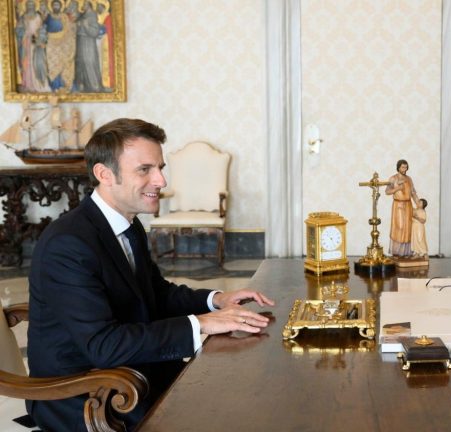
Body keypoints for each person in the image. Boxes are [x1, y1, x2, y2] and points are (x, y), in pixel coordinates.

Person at [26, 118, 276, 431]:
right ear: (104, 174)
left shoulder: (129, 226)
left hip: (133, 370)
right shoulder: (67, 244)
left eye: (160, 168)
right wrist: (201, 323)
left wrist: (216, 300)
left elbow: (157, 294)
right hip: (86, 392)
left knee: (243, 393)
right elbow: (104, 346)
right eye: (145, 169)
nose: (161, 180)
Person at [385, 159, 420, 256]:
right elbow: (387, 191)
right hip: (398, 205)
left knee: (407, 227)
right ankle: (397, 251)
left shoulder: (409, 179)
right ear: (398, 167)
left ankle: (406, 252)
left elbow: (413, 192)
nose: (405, 169)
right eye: (403, 167)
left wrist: (418, 203)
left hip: (408, 205)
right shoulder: (393, 178)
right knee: (399, 227)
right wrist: (397, 188)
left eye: (406, 167)